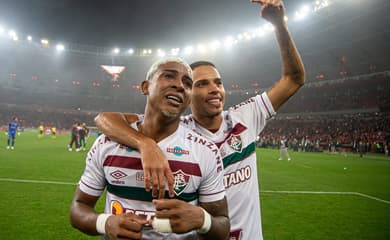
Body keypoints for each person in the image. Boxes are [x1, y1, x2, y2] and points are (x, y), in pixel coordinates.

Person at [95, 1, 305, 239]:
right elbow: (105, 119)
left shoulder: (246, 117)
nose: (214, 89)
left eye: (218, 82)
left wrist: (279, 24)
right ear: (187, 94)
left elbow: (294, 79)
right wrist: (145, 143)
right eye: (202, 84)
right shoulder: (178, 131)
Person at [70, 57, 230, 240]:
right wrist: (104, 223)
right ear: (145, 87)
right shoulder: (107, 144)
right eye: (169, 76)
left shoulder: (205, 151)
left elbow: (223, 227)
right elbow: (78, 207)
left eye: (187, 83)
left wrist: (203, 220)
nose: (179, 85)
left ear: (188, 99)